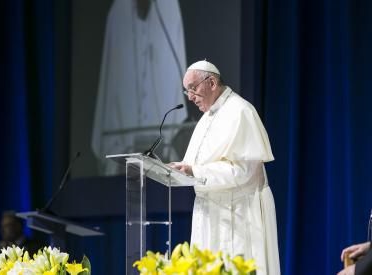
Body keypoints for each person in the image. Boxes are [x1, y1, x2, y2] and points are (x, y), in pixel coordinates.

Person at [170, 60, 281, 275]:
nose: (190, 96)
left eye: (193, 88)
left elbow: (243, 172)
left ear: (211, 83)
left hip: (239, 215)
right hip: (211, 213)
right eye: (187, 91)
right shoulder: (206, 118)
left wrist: (195, 171)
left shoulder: (240, 111)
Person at [92, 0, 187, 175]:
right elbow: (111, 82)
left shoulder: (169, 7)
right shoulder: (118, 11)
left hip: (161, 150)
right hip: (124, 151)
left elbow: (174, 74)